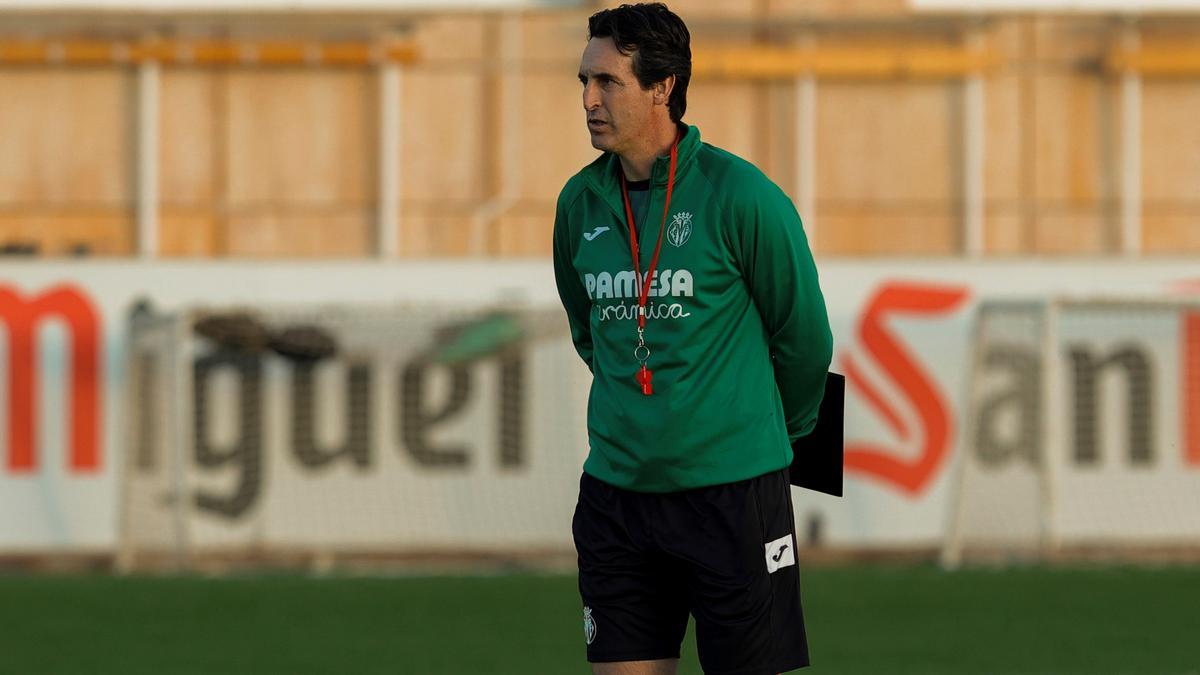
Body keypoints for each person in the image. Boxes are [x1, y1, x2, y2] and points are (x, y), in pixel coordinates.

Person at [552, 4, 833, 674]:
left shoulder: (741, 195)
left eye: (608, 82)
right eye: (584, 81)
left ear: (663, 87)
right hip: (618, 498)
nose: (589, 99)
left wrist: (773, 438)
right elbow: (589, 331)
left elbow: (804, 339)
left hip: (734, 495)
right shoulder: (578, 204)